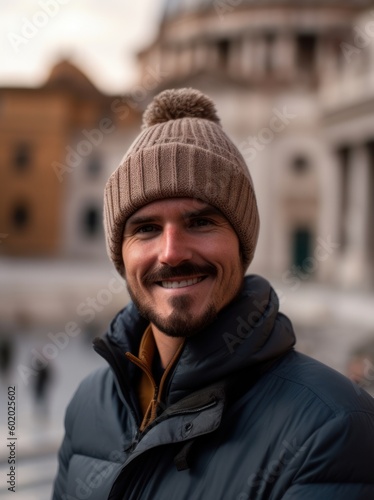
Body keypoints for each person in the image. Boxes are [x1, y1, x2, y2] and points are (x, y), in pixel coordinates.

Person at [52, 88, 374, 500]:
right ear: (120, 253)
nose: (171, 252)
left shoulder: (335, 428)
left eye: (201, 221)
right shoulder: (86, 405)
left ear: (242, 244)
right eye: (146, 228)